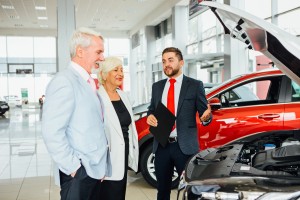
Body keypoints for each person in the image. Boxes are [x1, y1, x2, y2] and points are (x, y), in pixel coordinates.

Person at [42, 27, 111, 200]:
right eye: (99, 52)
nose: (102, 57)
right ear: (80, 51)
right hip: (80, 174)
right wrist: (75, 168)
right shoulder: (64, 81)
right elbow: (52, 132)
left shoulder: (87, 81)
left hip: (93, 170)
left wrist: (99, 167)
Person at [146, 47, 212, 200]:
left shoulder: (195, 85)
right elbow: (151, 109)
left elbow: (205, 114)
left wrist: (206, 118)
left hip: (185, 147)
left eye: (170, 60)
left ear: (181, 62)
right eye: (163, 61)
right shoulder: (157, 87)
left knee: (190, 191)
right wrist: (150, 116)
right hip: (161, 145)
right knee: (162, 191)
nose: (166, 64)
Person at [97, 56, 139, 200]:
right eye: (115, 70)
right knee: (107, 193)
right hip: (106, 156)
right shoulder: (97, 97)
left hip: (123, 153)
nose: (120, 73)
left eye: (122, 70)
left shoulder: (123, 95)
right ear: (104, 74)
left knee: (119, 193)